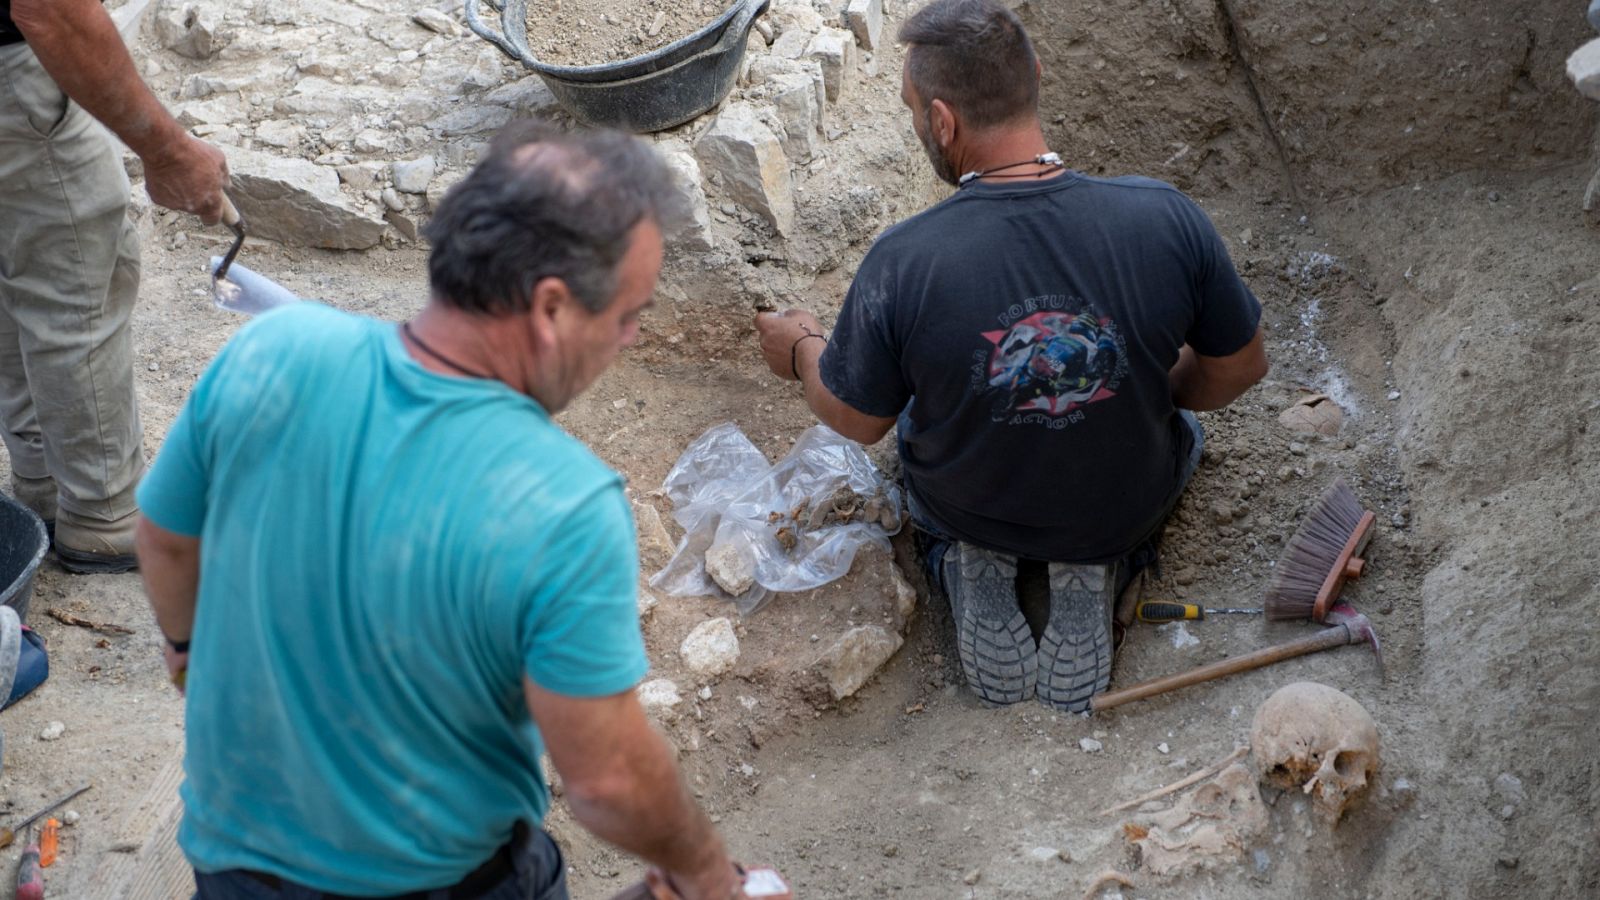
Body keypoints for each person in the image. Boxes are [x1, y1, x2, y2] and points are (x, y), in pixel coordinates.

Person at [136, 123, 746, 900]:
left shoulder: (271, 348)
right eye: (627, 314)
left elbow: (163, 537)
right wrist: (702, 869)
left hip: (233, 866)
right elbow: (611, 782)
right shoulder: (563, 503)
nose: (628, 338)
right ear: (551, 308)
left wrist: (188, 647)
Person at [754, 0, 1268, 714]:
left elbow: (855, 417)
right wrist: (1148, 383)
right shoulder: (1165, 217)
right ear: (1036, 76)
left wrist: (802, 349)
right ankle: (1099, 561)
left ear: (942, 121)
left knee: (915, 439)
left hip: (968, 500)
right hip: (1118, 501)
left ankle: (966, 560)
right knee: (1183, 435)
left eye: (912, 111)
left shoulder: (904, 261)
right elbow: (1241, 367)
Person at [1, 0, 228, 573]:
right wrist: (169, 151)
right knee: (76, 275)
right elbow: (50, 10)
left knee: (14, 263)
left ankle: (45, 481)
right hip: (13, 76)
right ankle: (103, 513)